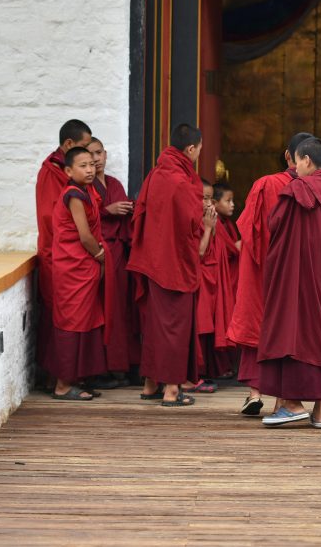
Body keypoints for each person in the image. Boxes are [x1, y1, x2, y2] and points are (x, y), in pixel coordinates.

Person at [258, 137, 321, 428]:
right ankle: (320, 412)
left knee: (293, 331)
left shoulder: (300, 187)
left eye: (296, 161)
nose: (295, 168)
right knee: (319, 334)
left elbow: (275, 225)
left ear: (307, 161)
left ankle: (292, 403)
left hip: (296, 275)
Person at [227, 132, 313, 416]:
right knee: (288, 331)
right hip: (296, 273)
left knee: (257, 325)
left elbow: (248, 231)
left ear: (288, 156)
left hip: (262, 267)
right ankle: (284, 398)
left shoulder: (265, 184)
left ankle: (254, 392)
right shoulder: (317, 189)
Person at [126, 124, 211, 408]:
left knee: (155, 325)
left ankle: (151, 385)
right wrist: (206, 225)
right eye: (199, 149)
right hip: (175, 264)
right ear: (190, 149)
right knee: (175, 325)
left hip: (153, 261)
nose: (200, 153)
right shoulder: (182, 181)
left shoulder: (156, 174)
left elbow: (141, 212)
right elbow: (190, 224)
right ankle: (172, 390)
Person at [47, 146, 107, 400]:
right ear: (68, 171)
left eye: (91, 164)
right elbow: (83, 235)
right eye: (83, 166)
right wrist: (101, 256)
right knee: (71, 324)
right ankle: (62, 385)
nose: (90, 169)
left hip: (83, 267)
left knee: (86, 322)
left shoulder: (85, 191)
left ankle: (77, 378)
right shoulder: (74, 194)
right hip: (73, 268)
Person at [35, 119, 93, 383]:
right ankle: (57, 378)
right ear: (68, 145)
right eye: (83, 151)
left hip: (75, 255)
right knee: (62, 318)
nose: (89, 161)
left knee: (74, 317)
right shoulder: (52, 174)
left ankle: (68, 376)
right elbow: (52, 219)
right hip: (60, 255)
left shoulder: (70, 177)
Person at [87, 137, 139, 384]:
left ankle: (120, 364)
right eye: (91, 155)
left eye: (99, 153)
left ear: (106, 155)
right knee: (102, 309)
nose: (96, 159)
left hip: (119, 253)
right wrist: (108, 211)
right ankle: (101, 369)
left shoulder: (115, 184)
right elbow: (82, 217)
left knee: (120, 309)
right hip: (98, 253)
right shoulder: (84, 188)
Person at [189, 180, 229, 393]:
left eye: (209, 198)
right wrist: (207, 229)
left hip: (209, 276)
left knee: (206, 325)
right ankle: (193, 374)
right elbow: (199, 253)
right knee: (199, 325)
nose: (206, 202)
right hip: (197, 277)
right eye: (202, 197)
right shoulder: (197, 219)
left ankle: (202, 371)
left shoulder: (209, 217)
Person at [213, 182, 242, 301]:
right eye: (228, 201)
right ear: (214, 203)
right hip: (219, 276)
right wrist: (235, 248)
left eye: (232, 201)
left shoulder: (228, 223)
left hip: (230, 273)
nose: (232, 205)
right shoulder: (214, 224)